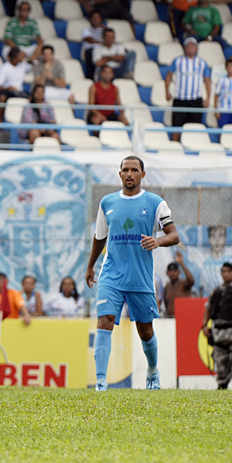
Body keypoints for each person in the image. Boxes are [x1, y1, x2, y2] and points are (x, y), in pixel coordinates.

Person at [86, 156, 180, 391]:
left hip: (141, 277)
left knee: (145, 330)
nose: (129, 174)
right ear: (119, 174)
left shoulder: (156, 202)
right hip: (111, 274)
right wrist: (90, 266)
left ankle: (152, 371)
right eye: (125, 170)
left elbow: (174, 235)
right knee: (104, 320)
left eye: (134, 170)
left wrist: (158, 241)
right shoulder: (107, 202)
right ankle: (100, 381)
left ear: (142, 174)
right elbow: (99, 237)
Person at [202, 262, 232, 389]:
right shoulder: (216, 290)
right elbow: (208, 308)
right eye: (223, 271)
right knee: (220, 364)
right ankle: (222, 387)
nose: (225, 274)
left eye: (228, 271)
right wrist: (205, 325)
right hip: (218, 332)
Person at [165, 37, 211, 141]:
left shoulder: (202, 62)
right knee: (176, 127)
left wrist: (208, 97)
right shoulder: (177, 61)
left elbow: (207, 80)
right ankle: (175, 148)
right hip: (180, 99)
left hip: (195, 99)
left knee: (194, 128)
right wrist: (167, 91)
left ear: (196, 48)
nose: (190, 48)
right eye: (188, 45)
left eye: (193, 45)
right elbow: (168, 76)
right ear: (185, 48)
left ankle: (193, 148)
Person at [0, 48, 31, 122]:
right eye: (20, 55)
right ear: (15, 57)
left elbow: (32, 60)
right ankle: (0, 121)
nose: (22, 57)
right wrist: (7, 88)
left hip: (18, 91)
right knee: (2, 98)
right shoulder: (4, 68)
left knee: (31, 98)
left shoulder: (23, 65)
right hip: (6, 90)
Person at [163, 253, 195, 317]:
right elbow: (166, 303)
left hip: (183, 317)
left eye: (175, 270)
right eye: (170, 271)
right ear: (167, 273)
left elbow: (191, 281)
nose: (172, 273)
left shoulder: (184, 284)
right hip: (170, 318)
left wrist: (181, 263)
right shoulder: (167, 287)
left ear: (179, 272)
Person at [81, 11, 106, 78]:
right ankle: (90, 77)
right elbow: (90, 40)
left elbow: (109, 39)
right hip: (91, 50)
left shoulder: (104, 30)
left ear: (101, 19)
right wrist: (102, 42)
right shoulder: (86, 30)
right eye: (94, 18)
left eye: (97, 18)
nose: (95, 20)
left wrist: (104, 29)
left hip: (103, 49)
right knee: (91, 53)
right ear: (90, 19)